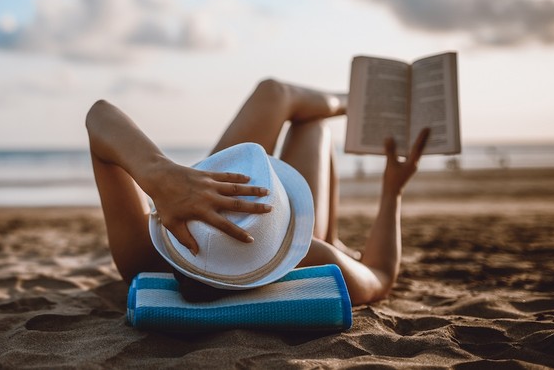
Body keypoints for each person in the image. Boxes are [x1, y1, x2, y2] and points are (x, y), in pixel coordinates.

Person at [85, 78, 430, 306]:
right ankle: (355, 104)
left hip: (192, 216)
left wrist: (160, 173)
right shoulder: (313, 259)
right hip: (312, 246)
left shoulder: (145, 259)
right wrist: (393, 190)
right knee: (311, 125)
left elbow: (99, 115)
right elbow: (381, 274)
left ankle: (353, 102)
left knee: (273, 93)